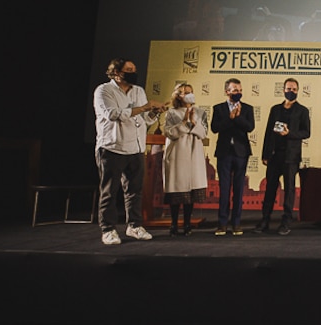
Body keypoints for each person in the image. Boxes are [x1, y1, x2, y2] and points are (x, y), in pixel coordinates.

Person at [93, 58, 167, 245]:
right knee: (110, 191)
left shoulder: (138, 91)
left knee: (135, 190)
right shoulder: (104, 91)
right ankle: (108, 229)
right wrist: (144, 107)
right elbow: (113, 114)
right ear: (116, 73)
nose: (133, 72)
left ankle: (135, 226)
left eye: (134, 69)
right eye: (128, 70)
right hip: (112, 147)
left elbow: (145, 120)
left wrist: (155, 112)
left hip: (136, 147)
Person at [255, 78, 311, 235]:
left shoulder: (302, 111)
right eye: (288, 88)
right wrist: (265, 154)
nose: (291, 91)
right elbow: (268, 133)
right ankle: (265, 220)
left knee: (289, 190)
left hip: (291, 157)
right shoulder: (275, 109)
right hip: (274, 156)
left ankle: (286, 222)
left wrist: (290, 133)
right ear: (283, 89)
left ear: (298, 91)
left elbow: (306, 132)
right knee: (270, 189)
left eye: (294, 89)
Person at [162, 83, 208, 237]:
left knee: (191, 191)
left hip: (194, 153)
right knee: (177, 190)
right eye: (182, 92)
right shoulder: (171, 113)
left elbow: (204, 133)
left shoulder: (200, 112)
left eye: (189, 92)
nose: (186, 95)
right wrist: (183, 124)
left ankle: (187, 223)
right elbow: (169, 132)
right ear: (177, 95)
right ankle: (174, 223)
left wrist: (193, 123)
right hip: (177, 152)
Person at [211, 78, 255, 236]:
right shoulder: (218, 108)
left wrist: (237, 117)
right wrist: (230, 118)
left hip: (241, 153)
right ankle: (222, 224)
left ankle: (236, 223)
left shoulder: (248, 108)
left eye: (240, 90)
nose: (238, 93)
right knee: (224, 189)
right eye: (235, 90)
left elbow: (250, 127)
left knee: (238, 189)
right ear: (227, 91)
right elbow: (215, 128)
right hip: (224, 153)